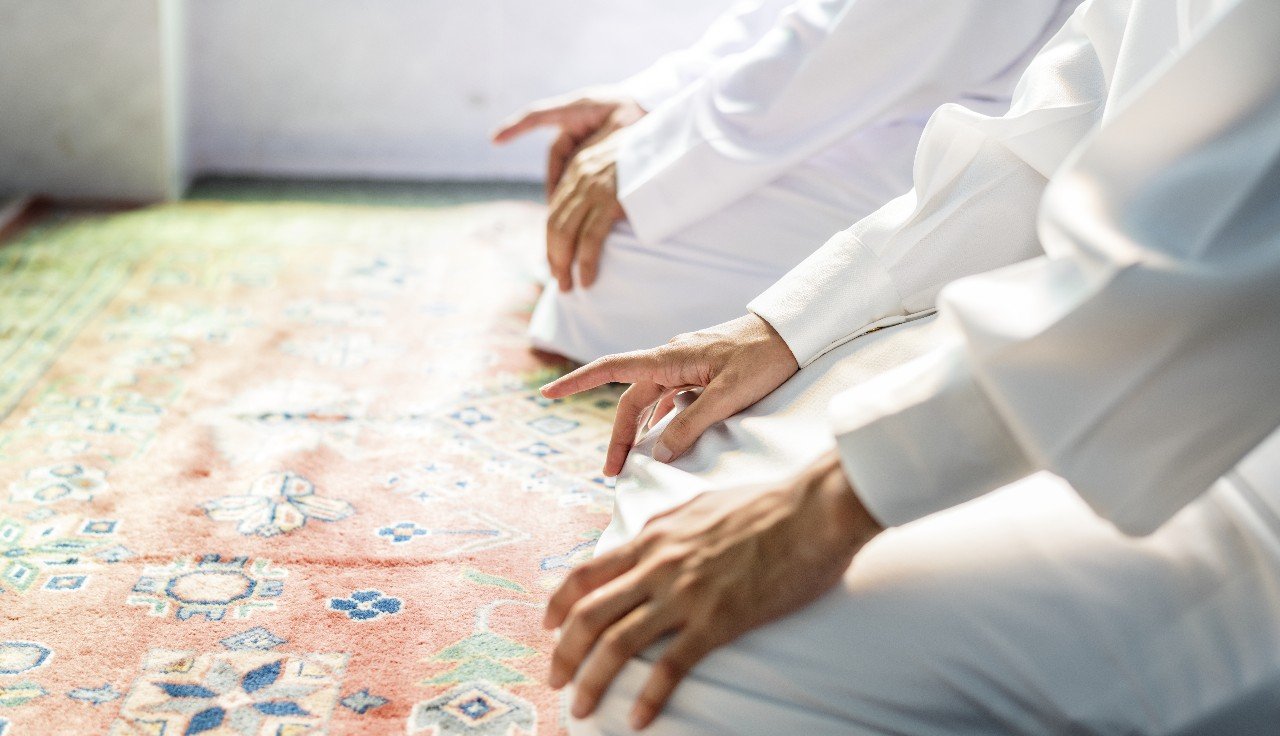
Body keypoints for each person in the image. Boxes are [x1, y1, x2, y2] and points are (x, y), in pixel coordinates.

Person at [537, 0, 1280, 732]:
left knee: (664, 666)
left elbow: (1207, 282)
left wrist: (832, 506)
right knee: (696, 442)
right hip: (1108, 332)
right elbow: (1048, 140)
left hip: (1234, 437)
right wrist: (781, 328)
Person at [493, 0, 1080, 362]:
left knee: (616, 262)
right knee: (603, 228)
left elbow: (866, 41)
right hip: (894, 91)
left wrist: (648, 157)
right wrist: (651, 102)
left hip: (1011, 134)